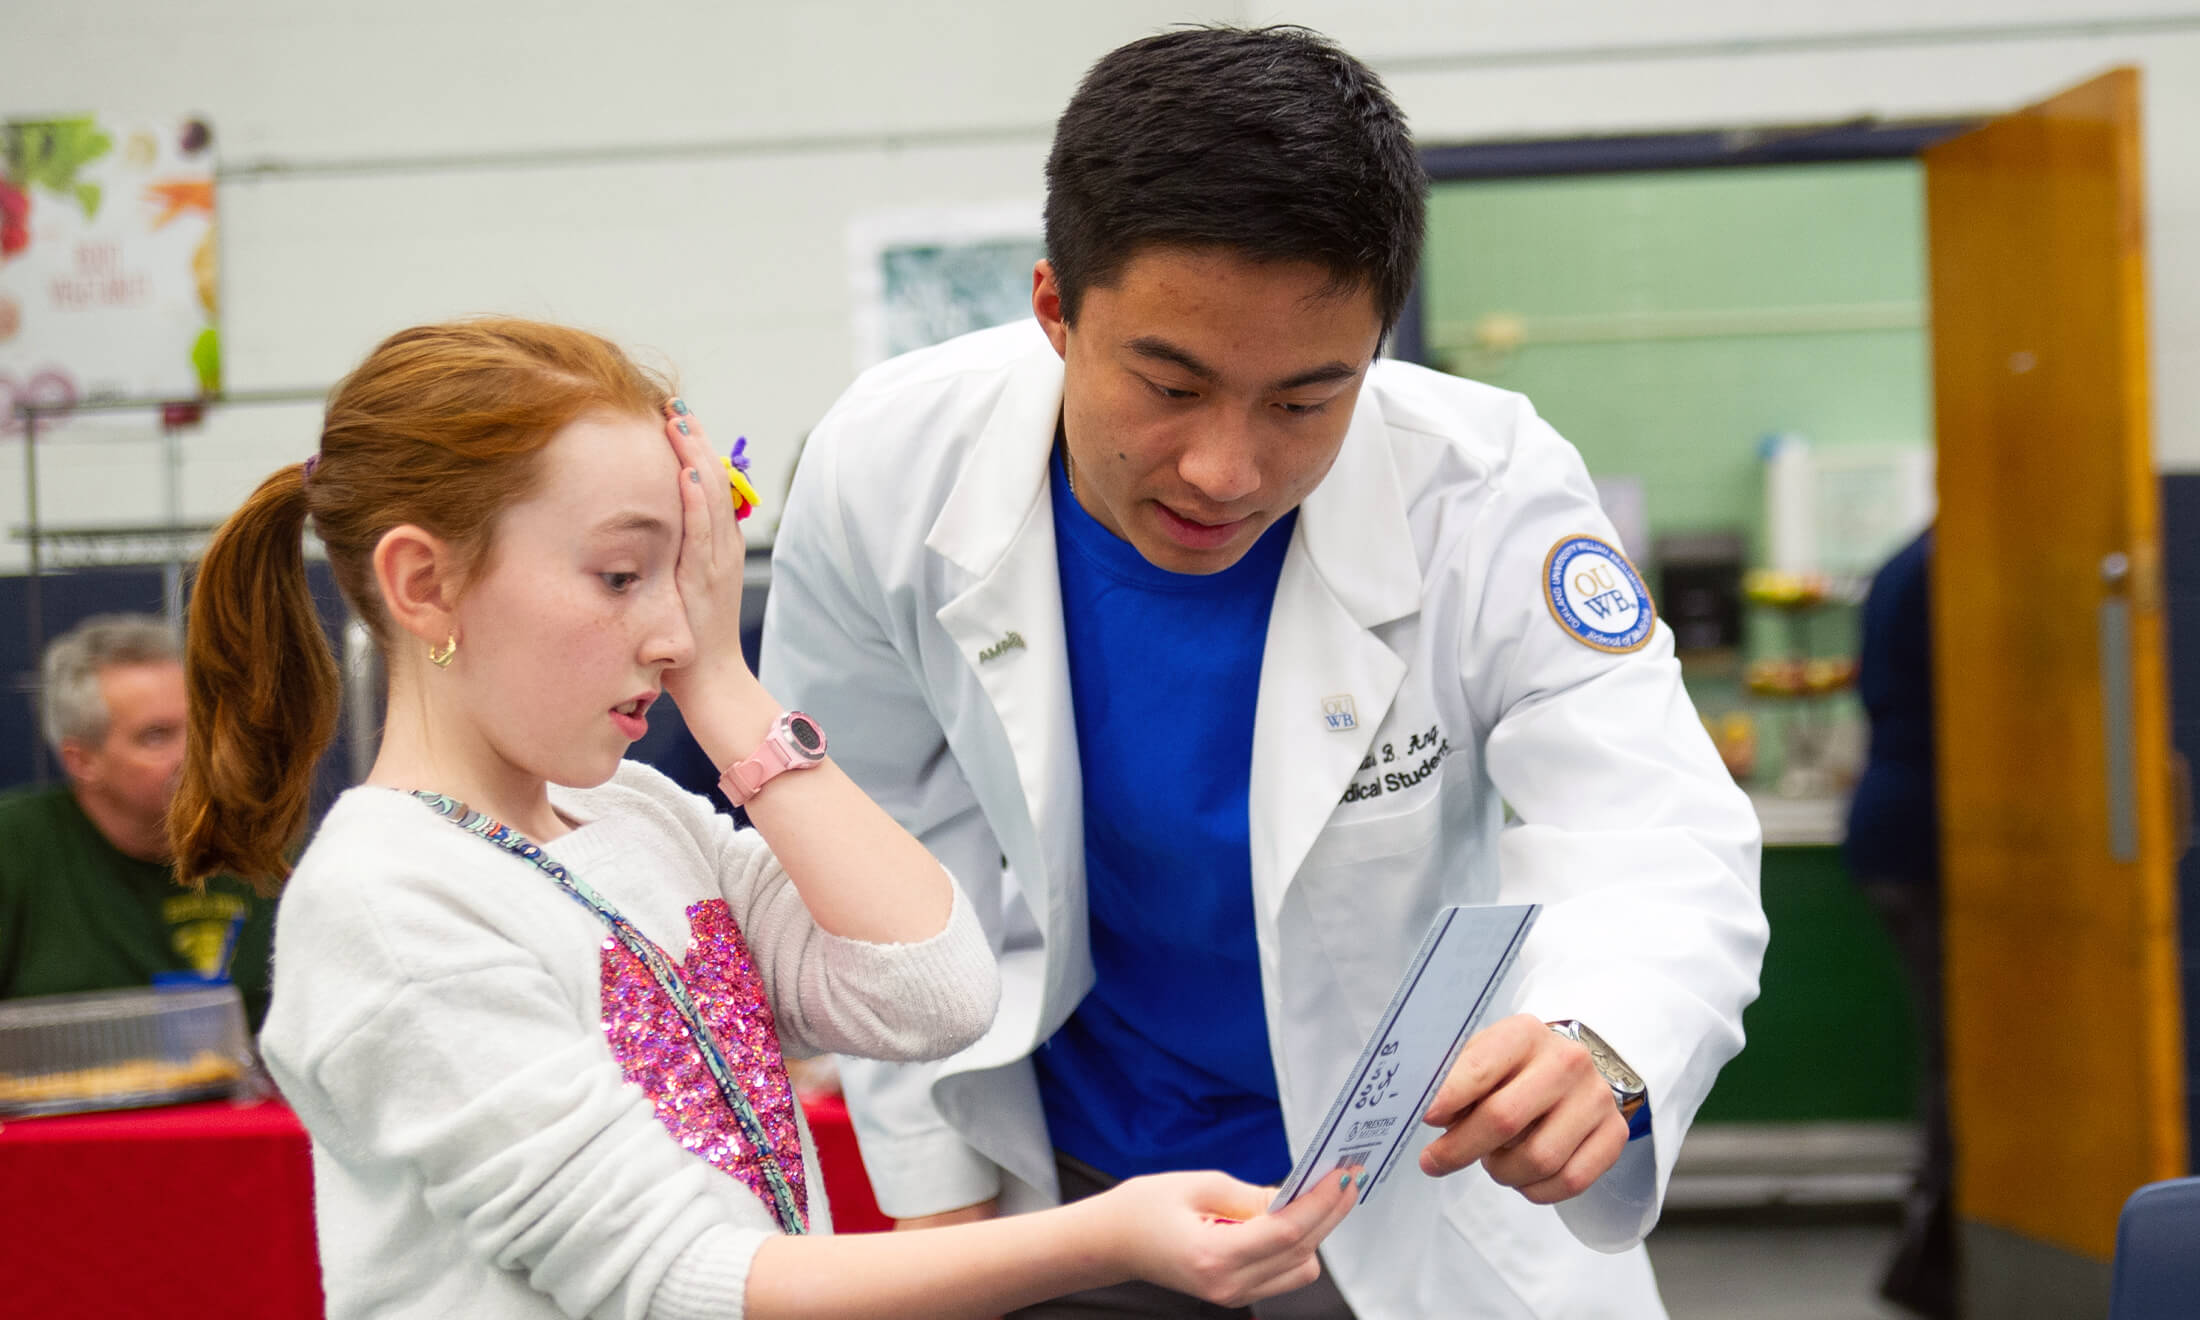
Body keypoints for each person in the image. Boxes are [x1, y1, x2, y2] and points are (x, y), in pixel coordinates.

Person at [761, 25, 1767, 1320]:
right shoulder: (890, 466)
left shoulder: (1484, 489)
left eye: (1305, 401)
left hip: (1412, 1188)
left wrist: (1600, 1041)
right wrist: (930, 1183)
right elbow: (870, 834)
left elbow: (1654, 824)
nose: (1225, 470)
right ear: (1056, 309)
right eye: (1168, 384)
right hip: (1077, 1191)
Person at [169, 318, 1355, 1320]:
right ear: (425, 584)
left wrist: (725, 685)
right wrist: (1099, 1238)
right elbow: (680, 1275)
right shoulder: (387, 901)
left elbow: (931, 993)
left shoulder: (632, 814)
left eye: (685, 573)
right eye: (621, 576)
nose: (669, 628)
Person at [0, 613, 274, 1024]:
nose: (196, 756)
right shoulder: (16, 847)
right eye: (156, 736)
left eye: (202, 727)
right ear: (82, 760)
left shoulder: (272, 846)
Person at [1843, 526, 1950, 1318]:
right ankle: (1934, 1259)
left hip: (1891, 826)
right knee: (1959, 1062)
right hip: (1923, 835)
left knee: (1950, 1054)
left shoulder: (1899, 563)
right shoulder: (1946, 566)